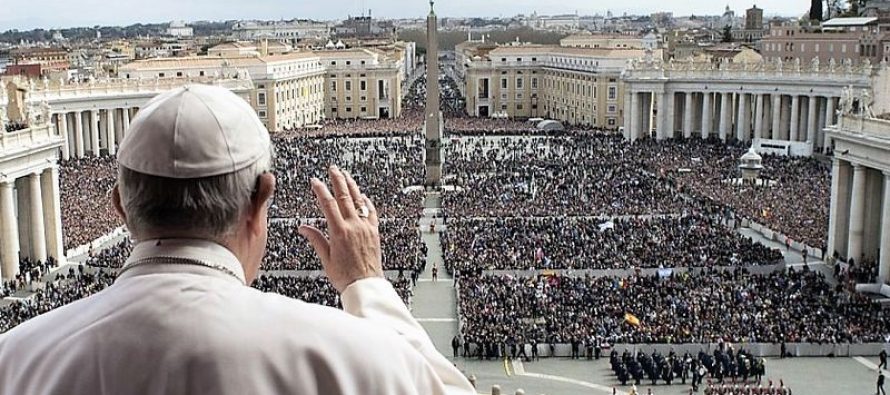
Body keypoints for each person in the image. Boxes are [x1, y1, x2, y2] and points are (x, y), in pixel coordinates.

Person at [0, 85, 475, 395]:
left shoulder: (15, 360)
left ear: (121, 207)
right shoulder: (350, 357)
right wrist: (367, 284)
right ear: (261, 200)